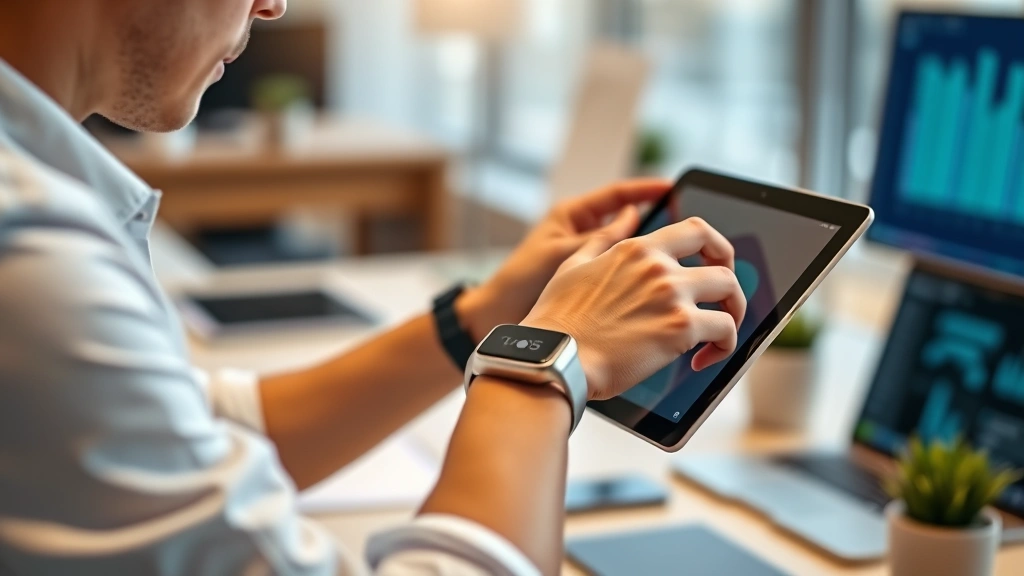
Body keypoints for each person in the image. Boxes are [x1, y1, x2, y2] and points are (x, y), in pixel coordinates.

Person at [0, 1, 746, 574]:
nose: (273, 4)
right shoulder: (30, 257)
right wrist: (547, 361)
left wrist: (487, 315)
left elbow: (200, 430)